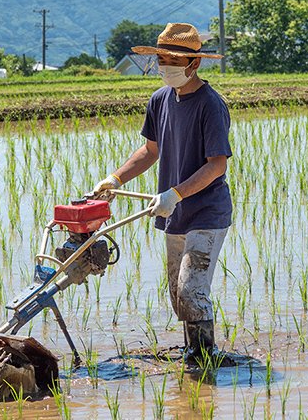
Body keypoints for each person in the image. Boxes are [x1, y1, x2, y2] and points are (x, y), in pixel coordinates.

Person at [92, 23, 232, 361]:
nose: (164, 66)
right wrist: (115, 178)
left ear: (193, 64)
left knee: (191, 289)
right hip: (175, 214)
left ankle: (202, 361)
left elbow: (217, 165)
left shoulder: (211, 105)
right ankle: (193, 353)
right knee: (177, 294)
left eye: (172, 60)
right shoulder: (160, 100)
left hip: (207, 212)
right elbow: (150, 150)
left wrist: (175, 194)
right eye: (161, 59)